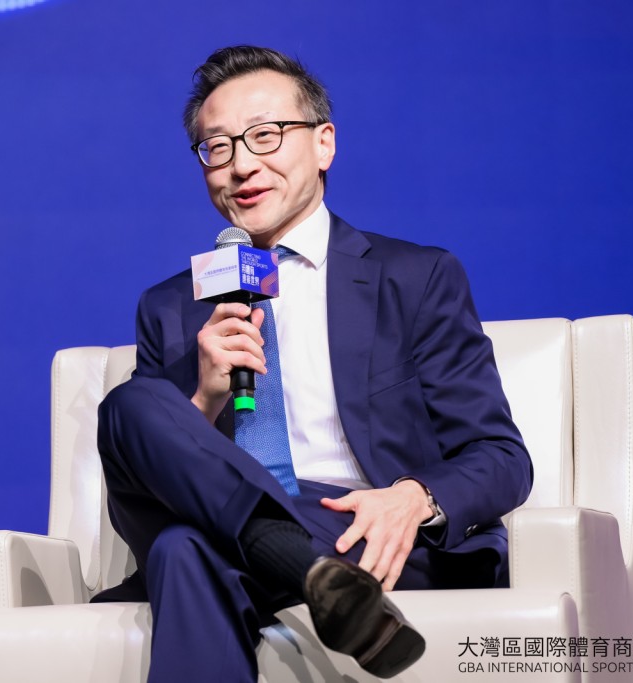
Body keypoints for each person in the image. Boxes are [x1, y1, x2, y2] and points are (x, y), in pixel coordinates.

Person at [93, 45, 533, 682]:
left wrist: (412, 498)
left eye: (265, 135)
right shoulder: (170, 307)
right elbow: (145, 474)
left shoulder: (413, 278)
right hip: (221, 520)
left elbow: (500, 456)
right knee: (129, 407)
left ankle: (301, 562)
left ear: (324, 144)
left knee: (182, 549)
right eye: (218, 147)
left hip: (358, 529)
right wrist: (204, 399)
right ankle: (311, 575)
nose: (242, 164)